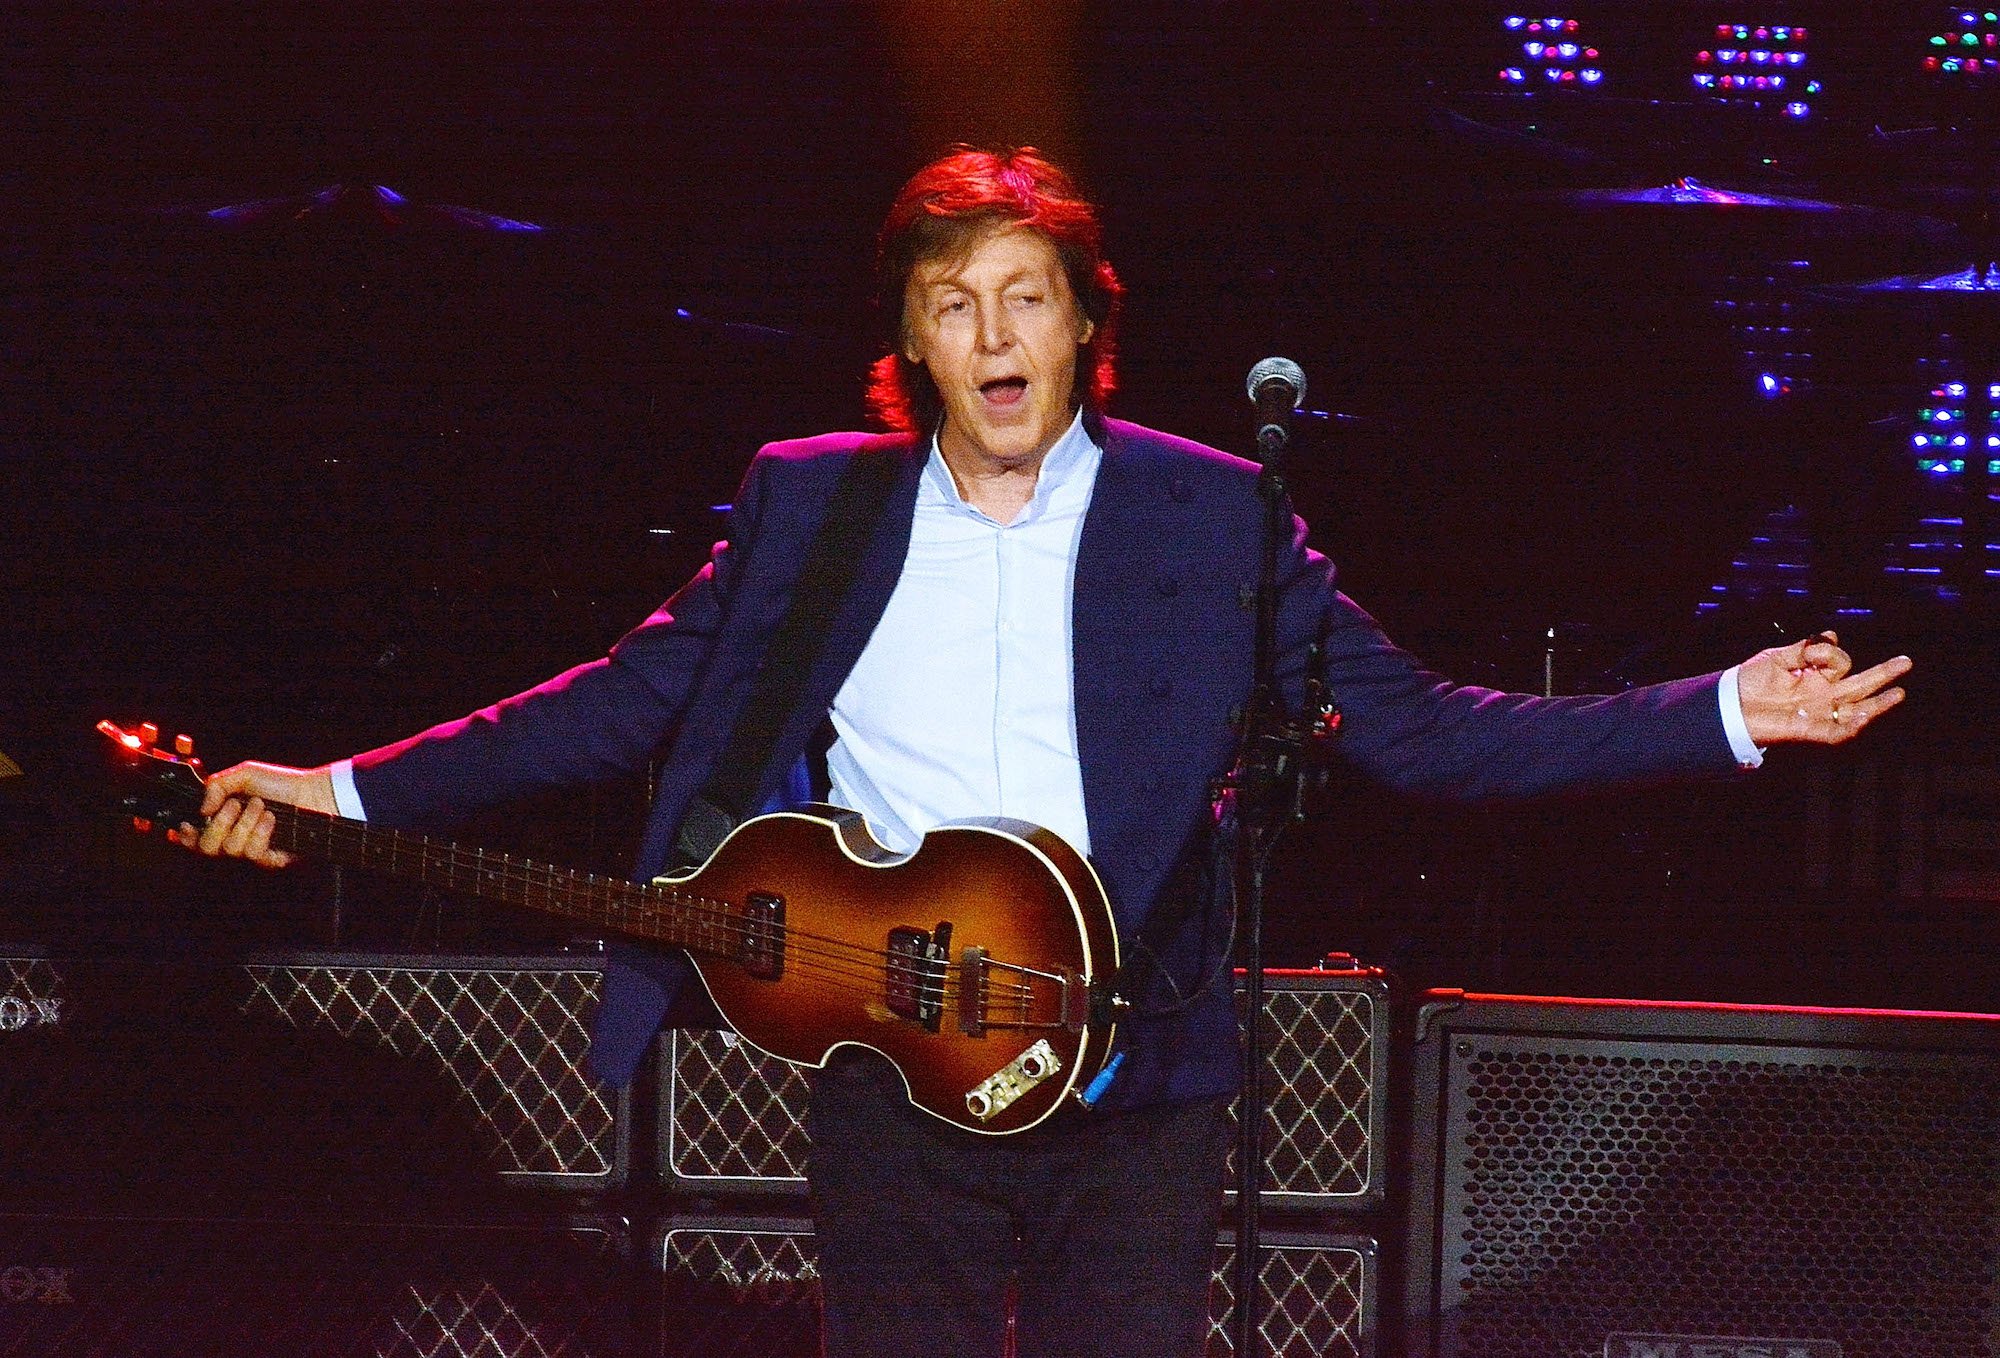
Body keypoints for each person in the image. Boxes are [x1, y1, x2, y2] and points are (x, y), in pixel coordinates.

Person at [177, 146, 1911, 1357]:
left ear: (1088, 322)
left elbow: (1426, 733)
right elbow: (612, 701)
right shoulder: (812, 505)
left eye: (1027, 298)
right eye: (954, 303)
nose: (994, 337)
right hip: (884, 1079)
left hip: (1136, 1086)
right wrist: (332, 789)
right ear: (911, 341)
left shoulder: (1216, 519)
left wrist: (1719, 713)